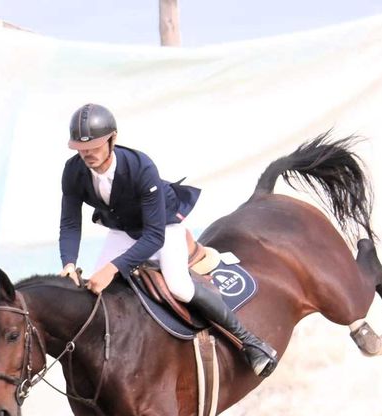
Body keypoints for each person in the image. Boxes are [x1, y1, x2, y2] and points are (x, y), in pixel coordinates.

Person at [58, 103, 277, 377]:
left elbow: (153, 237)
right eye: (80, 147)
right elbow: (69, 222)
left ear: (113, 138)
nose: (86, 153)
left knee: (179, 287)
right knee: (95, 291)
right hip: (122, 229)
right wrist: (68, 262)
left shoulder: (140, 167)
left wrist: (113, 268)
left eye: (93, 146)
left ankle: (250, 342)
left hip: (162, 227)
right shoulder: (73, 171)